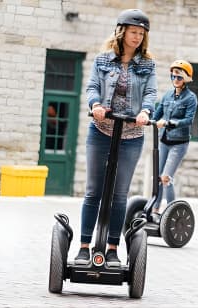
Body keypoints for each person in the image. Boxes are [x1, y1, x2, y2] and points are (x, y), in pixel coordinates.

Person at [75, 9, 157, 266]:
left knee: (120, 194)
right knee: (93, 192)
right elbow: (91, 87)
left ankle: (112, 249)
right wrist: (96, 104)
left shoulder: (147, 64)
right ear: (122, 32)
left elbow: (151, 93)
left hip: (132, 134)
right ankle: (84, 247)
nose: (137, 37)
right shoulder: (102, 61)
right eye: (133, 32)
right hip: (101, 131)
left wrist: (145, 111)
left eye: (141, 33)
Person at [151, 60, 197, 222]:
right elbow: (157, 114)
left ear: (185, 79)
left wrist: (170, 123)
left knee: (166, 178)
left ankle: (172, 212)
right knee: (157, 177)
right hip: (164, 140)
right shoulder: (167, 95)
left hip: (179, 143)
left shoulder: (191, 98)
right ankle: (155, 210)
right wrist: (147, 120)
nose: (175, 79)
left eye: (178, 77)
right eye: (173, 76)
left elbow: (189, 120)